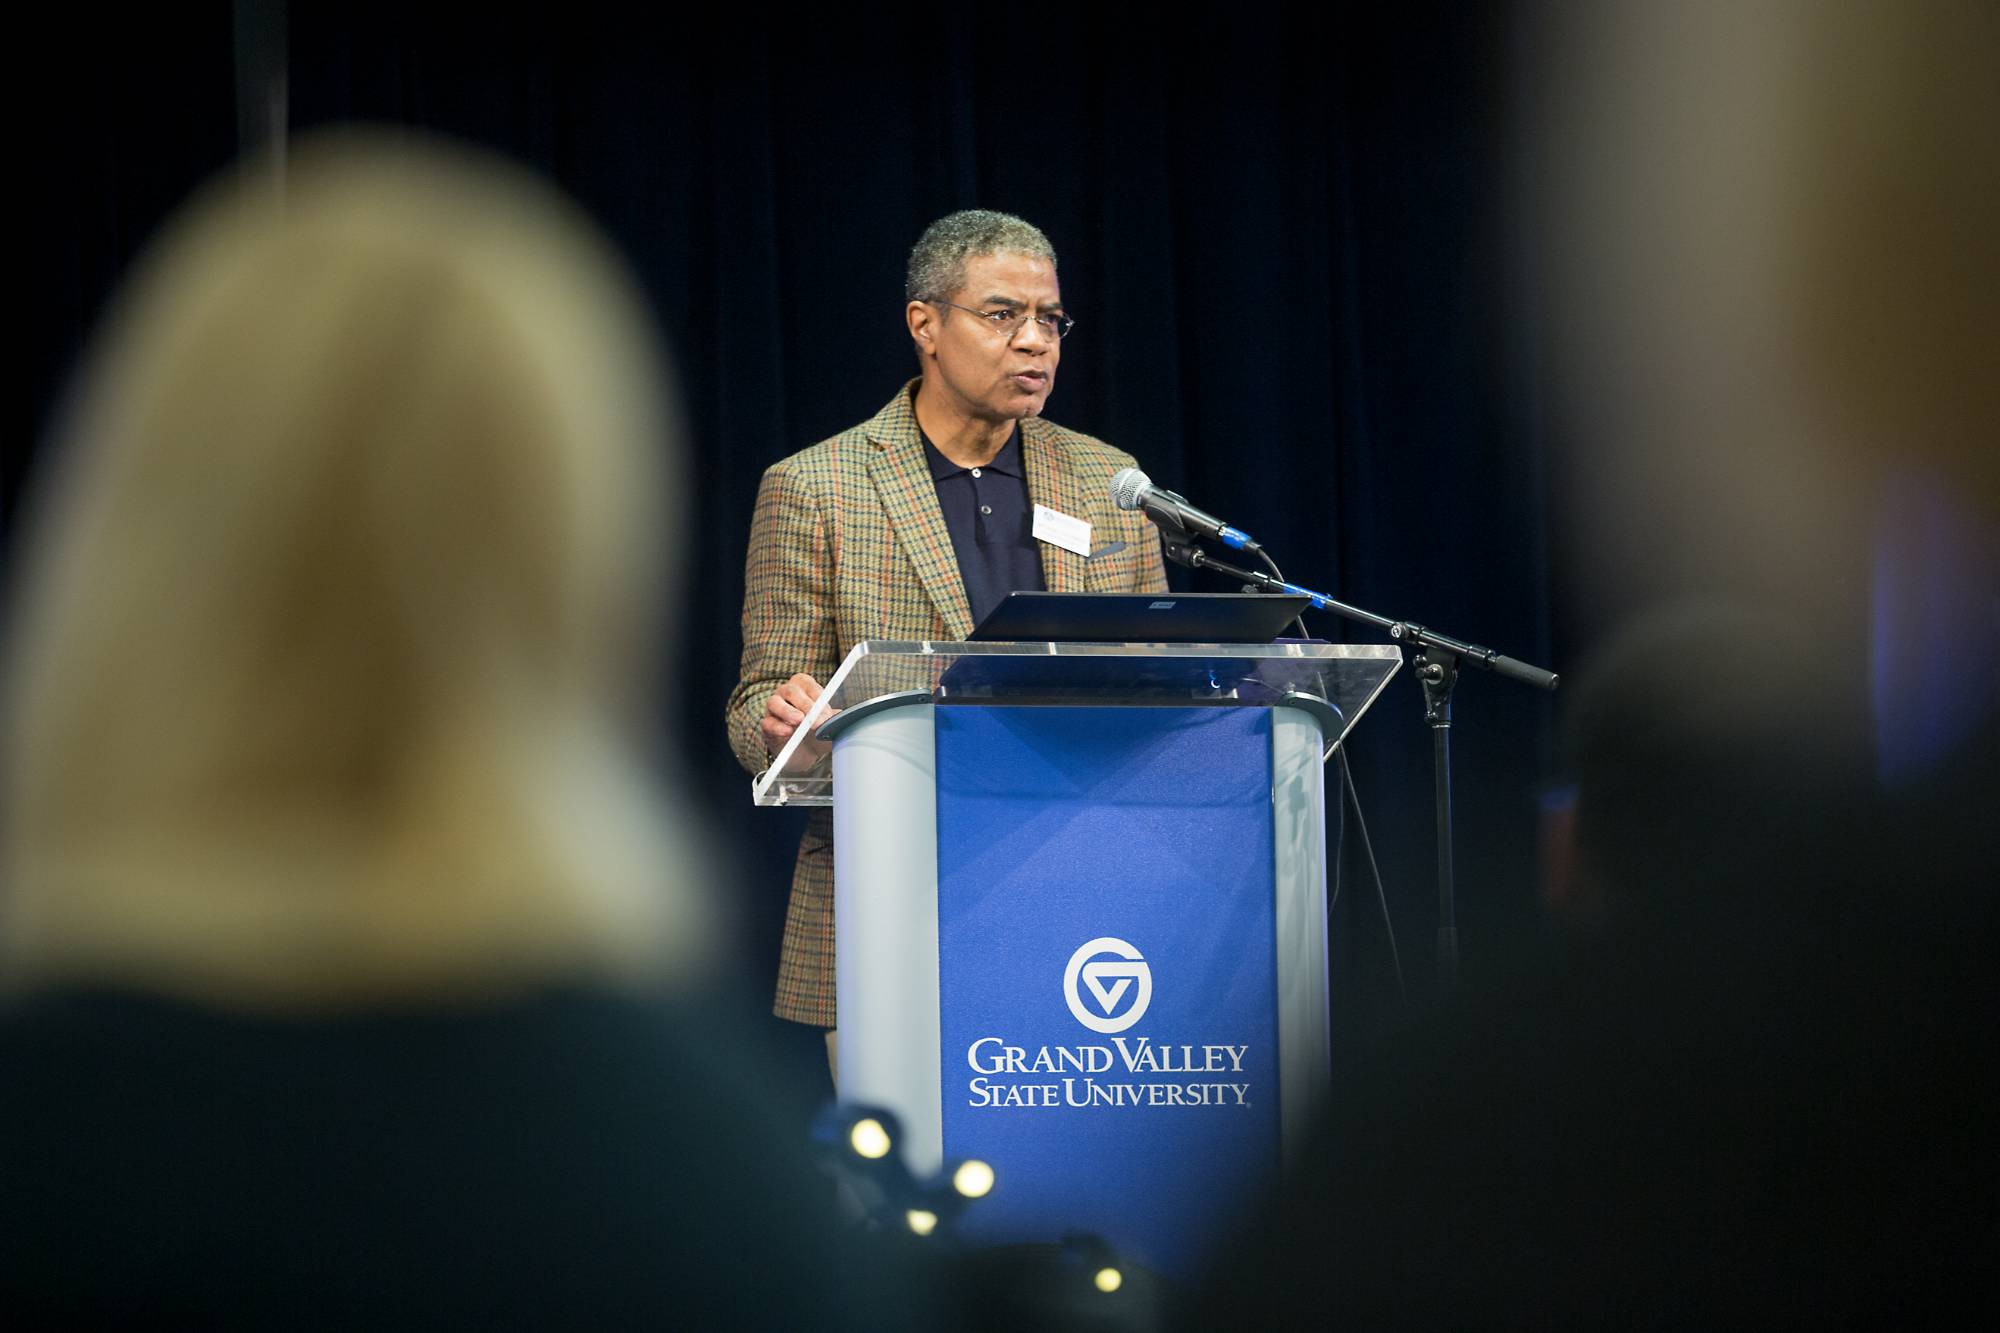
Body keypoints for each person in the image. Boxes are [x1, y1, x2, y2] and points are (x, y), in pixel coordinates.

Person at [0, 132, 922, 1329]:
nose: (1037, 341)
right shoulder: (707, 1183)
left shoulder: (46, 1130)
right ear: (579, 561)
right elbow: (759, 703)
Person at [725, 210, 1168, 1034]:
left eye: (1051, 319)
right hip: (893, 899)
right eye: (1004, 315)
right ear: (925, 325)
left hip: (1088, 900)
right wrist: (799, 730)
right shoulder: (815, 487)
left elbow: (1153, 684)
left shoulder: (1111, 482)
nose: (1036, 341)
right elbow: (756, 707)